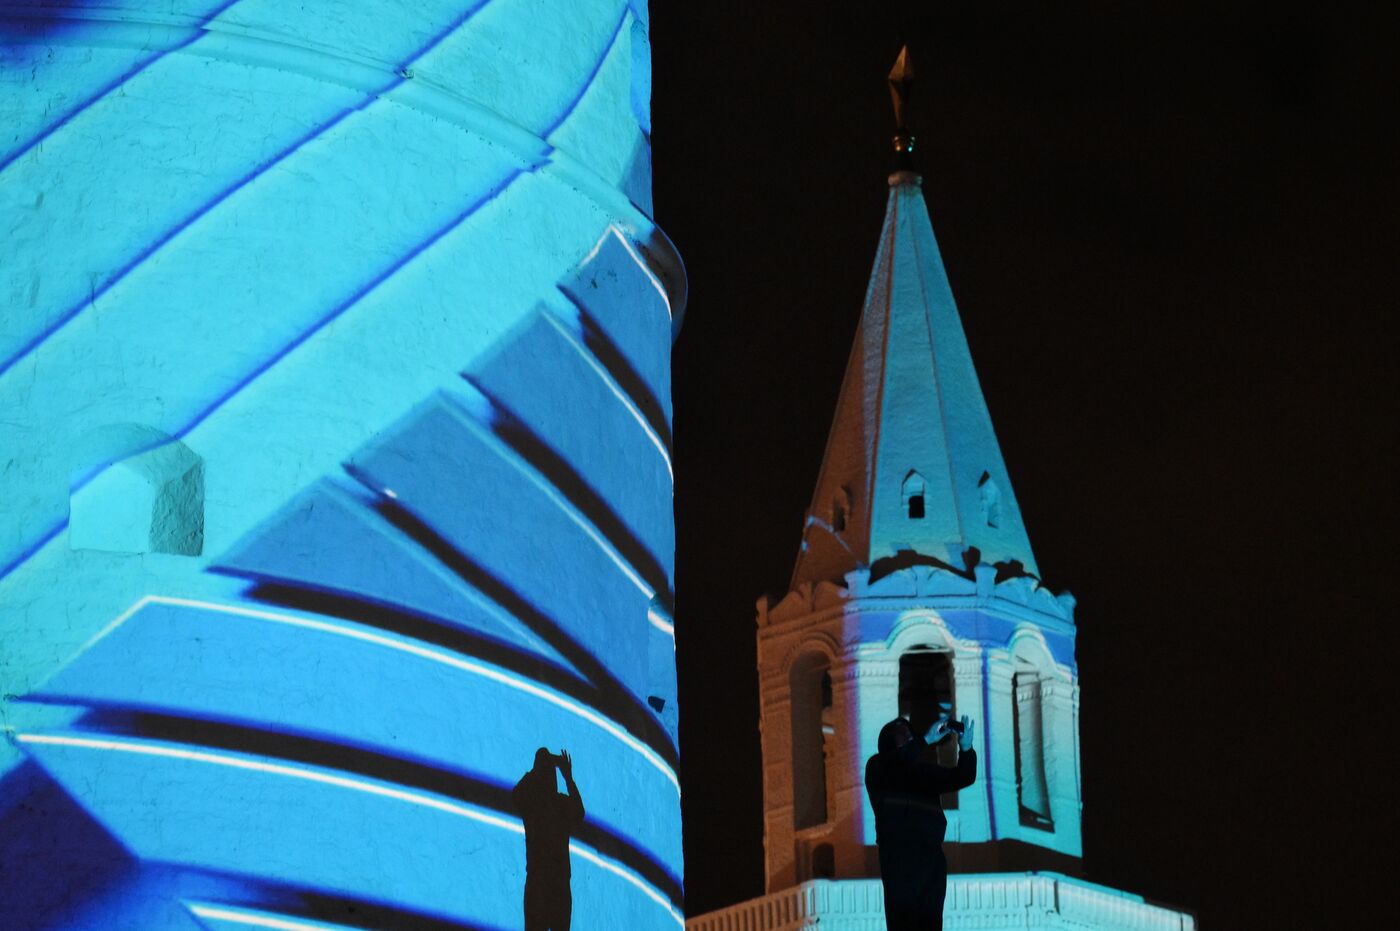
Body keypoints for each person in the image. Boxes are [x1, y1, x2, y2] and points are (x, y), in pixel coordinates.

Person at [865, 712, 977, 931]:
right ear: (888, 743)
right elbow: (896, 763)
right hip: (900, 855)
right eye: (903, 735)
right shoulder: (878, 768)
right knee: (904, 921)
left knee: (931, 921)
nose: (909, 739)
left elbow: (963, 777)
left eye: (910, 734)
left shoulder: (922, 773)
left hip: (931, 855)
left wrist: (966, 748)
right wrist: (924, 740)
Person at [513, 747, 585, 931]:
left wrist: (538, 768)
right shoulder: (560, 804)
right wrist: (567, 777)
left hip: (538, 884)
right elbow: (579, 812)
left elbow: (516, 796)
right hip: (558, 885)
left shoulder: (531, 805)